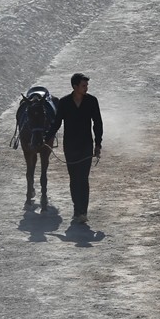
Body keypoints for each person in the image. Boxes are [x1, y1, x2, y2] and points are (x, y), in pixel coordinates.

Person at [45, 72, 104, 225]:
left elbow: (97, 123)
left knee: (83, 179)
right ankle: (76, 209)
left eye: (87, 85)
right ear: (75, 86)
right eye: (83, 86)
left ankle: (82, 212)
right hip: (70, 146)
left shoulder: (92, 101)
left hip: (86, 145)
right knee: (74, 179)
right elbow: (57, 122)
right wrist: (47, 137)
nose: (86, 88)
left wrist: (98, 144)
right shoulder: (64, 102)